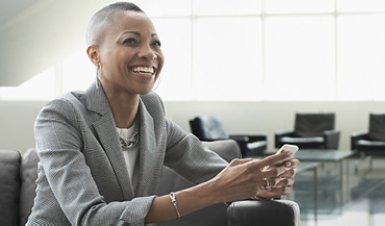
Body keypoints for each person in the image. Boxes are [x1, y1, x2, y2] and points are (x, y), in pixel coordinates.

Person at [27, 2, 299, 225]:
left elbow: (212, 171)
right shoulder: (61, 116)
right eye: (131, 41)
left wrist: (257, 182)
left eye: (155, 43)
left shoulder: (152, 112)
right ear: (94, 55)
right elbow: (90, 218)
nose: (148, 53)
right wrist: (214, 191)